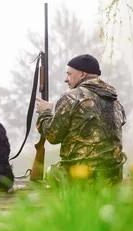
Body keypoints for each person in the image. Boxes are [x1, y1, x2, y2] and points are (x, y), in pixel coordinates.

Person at [35, 54, 127, 185]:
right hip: (113, 177)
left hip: (81, 178)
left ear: (82, 74)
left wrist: (45, 112)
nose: (65, 79)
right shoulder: (114, 99)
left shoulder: (72, 97)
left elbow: (53, 136)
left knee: (52, 172)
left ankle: (67, 205)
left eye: (69, 74)